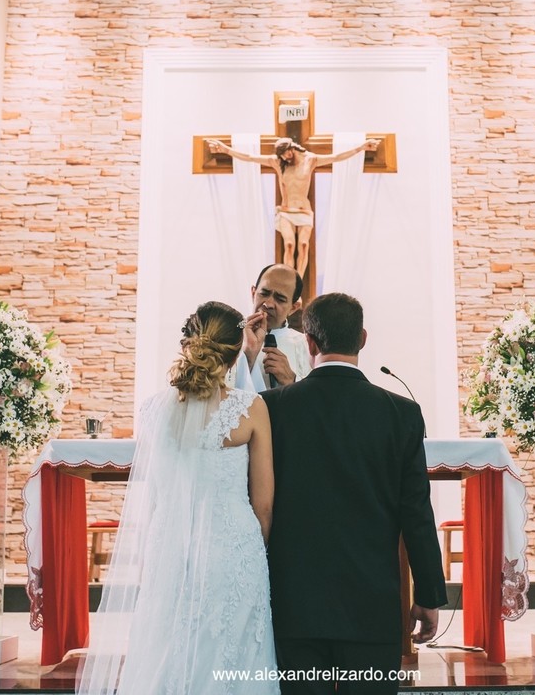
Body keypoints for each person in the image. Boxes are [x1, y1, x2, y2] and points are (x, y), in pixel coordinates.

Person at [78, 301, 278, 695]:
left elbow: (152, 496)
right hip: (233, 550)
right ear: (235, 352)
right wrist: (259, 549)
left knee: (167, 651)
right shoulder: (251, 409)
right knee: (232, 658)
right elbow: (265, 503)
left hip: (170, 550)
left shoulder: (153, 410)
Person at [261, 293, 447, 694]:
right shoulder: (401, 413)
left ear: (309, 343)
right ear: (362, 339)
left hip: (294, 604)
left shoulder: (272, 407)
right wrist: (429, 593)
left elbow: (258, 502)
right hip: (370, 605)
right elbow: (416, 510)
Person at [207, 137, 380, 278]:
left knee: (303, 245)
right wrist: (225, 149)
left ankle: (298, 281)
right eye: (280, 156)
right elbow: (250, 158)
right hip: (286, 211)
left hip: (304, 211)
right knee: (289, 244)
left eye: (285, 154)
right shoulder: (277, 162)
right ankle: (289, 281)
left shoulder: (310, 160)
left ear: (291, 148)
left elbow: (336, 157)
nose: (284, 158)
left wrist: (361, 148)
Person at [232, 263, 312, 392]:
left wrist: (292, 381)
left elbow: (318, 400)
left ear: (293, 308)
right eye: (264, 294)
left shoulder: (307, 346)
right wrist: (247, 359)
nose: (268, 304)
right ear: (253, 293)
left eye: (280, 299)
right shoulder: (229, 333)